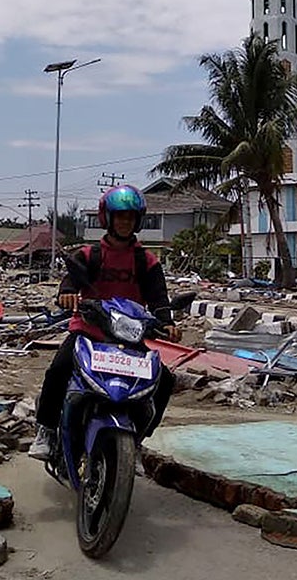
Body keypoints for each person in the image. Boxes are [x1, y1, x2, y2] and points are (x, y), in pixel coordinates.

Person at [29, 184, 180, 461]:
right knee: (58, 370)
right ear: (107, 218)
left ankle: (137, 439)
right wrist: (66, 295)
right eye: (120, 216)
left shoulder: (146, 261)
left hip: (129, 338)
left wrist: (167, 321)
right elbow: (70, 281)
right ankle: (46, 431)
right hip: (89, 332)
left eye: (130, 217)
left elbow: (159, 298)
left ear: (138, 221)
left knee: (165, 380)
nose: (125, 222)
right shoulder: (88, 255)